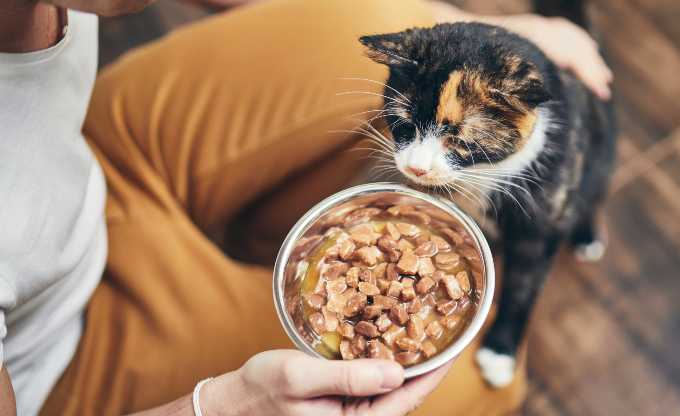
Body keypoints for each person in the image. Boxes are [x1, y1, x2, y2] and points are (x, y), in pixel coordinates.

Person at [0, 0, 612, 414]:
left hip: (86, 154)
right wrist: (225, 406)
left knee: (382, 12)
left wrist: (466, 36)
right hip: (59, 367)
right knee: (472, 386)